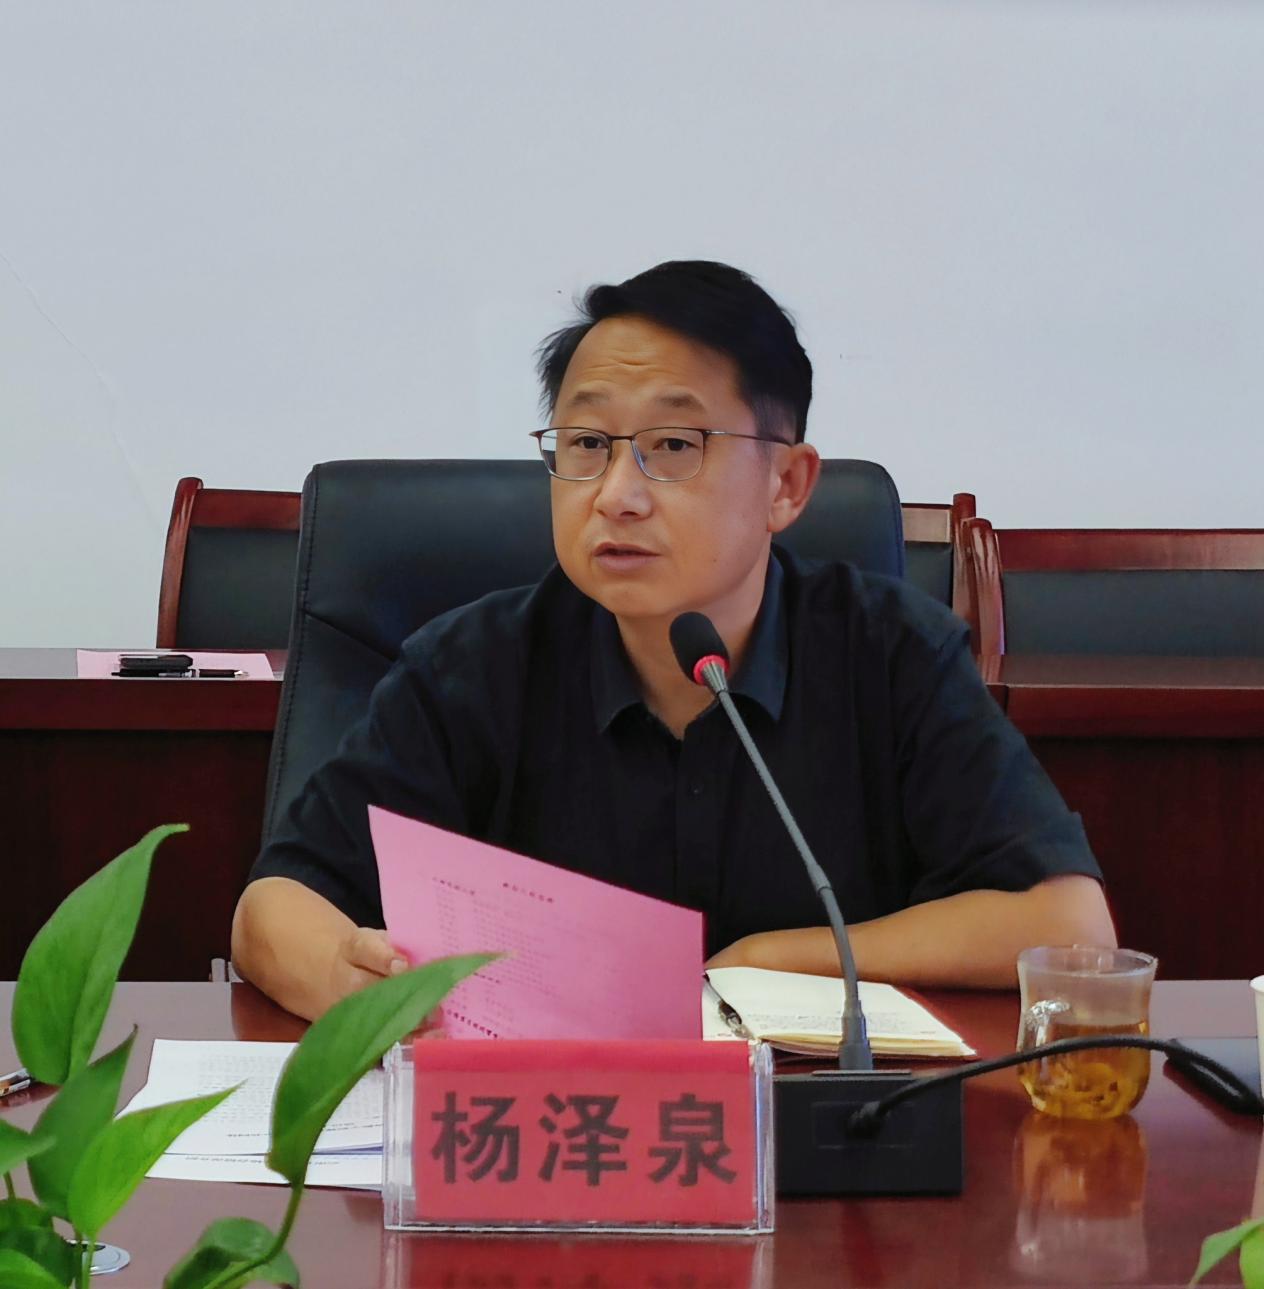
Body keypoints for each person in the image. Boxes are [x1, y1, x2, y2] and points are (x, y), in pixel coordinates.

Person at [233, 260, 1115, 1020]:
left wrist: (767, 960)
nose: (617, 493)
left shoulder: (892, 655)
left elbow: (1068, 925)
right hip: (549, 1137)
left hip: (819, 1141)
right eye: (587, 442)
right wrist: (361, 991)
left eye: (674, 444)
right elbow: (272, 909)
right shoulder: (470, 668)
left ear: (786, 485)